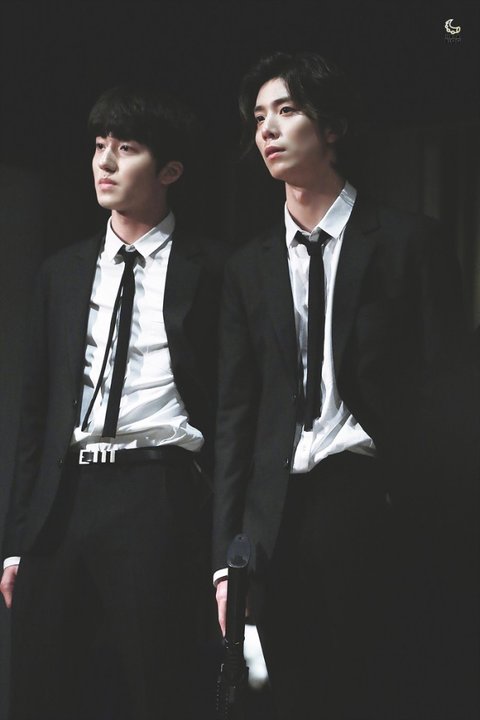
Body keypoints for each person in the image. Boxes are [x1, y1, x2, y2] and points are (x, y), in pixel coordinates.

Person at [212, 52, 478, 719]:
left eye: (286, 111)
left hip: (372, 496)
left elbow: (451, 397)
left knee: (379, 691)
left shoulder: (410, 241)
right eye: (258, 118)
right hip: (275, 513)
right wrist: (226, 558)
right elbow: (237, 414)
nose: (267, 130)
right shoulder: (248, 267)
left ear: (331, 128)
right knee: (292, 697)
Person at [0, 85, 221, 720]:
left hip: (157, 488)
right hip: (65, 495)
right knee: (42, 688)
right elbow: (34, 416)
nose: (104, 161)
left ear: (169, 171)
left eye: (126, 149)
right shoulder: (62, 271)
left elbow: (234, 406)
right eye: (100, 145)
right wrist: (17, 539)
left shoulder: (214, 267)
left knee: (158, 687)